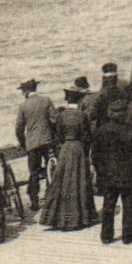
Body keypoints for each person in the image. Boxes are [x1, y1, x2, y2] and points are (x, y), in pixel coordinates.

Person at [93, 97, 132, 244]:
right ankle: (128, 236)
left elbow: (95, 155)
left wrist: (100, 171)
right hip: (127, 175)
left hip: (108, 176)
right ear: (124, 114)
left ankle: (106, 236)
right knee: (129, 206)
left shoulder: (100, 131)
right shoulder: (130, 132)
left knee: (108, 205)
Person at [40, 86, 96, 231]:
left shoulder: (61, 116)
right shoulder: (82, 115)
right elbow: (87, 137)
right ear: (78, 99)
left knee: (62, 181)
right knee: (80, 180)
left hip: (65, 149)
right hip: (78, 149)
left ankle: (58, 217)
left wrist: (58, 152)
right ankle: (81, 217)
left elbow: (57, 137)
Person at [15, 79, 56, 208]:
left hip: (32, 144)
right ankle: (52, 196)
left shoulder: (23, 106)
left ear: (26, 91)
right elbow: (54, 120)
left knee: (34, 172)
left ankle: (34, 201)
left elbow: (19, 129)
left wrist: (23, 144)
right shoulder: (46, 100)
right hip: (47, 140)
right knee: (52, 168)